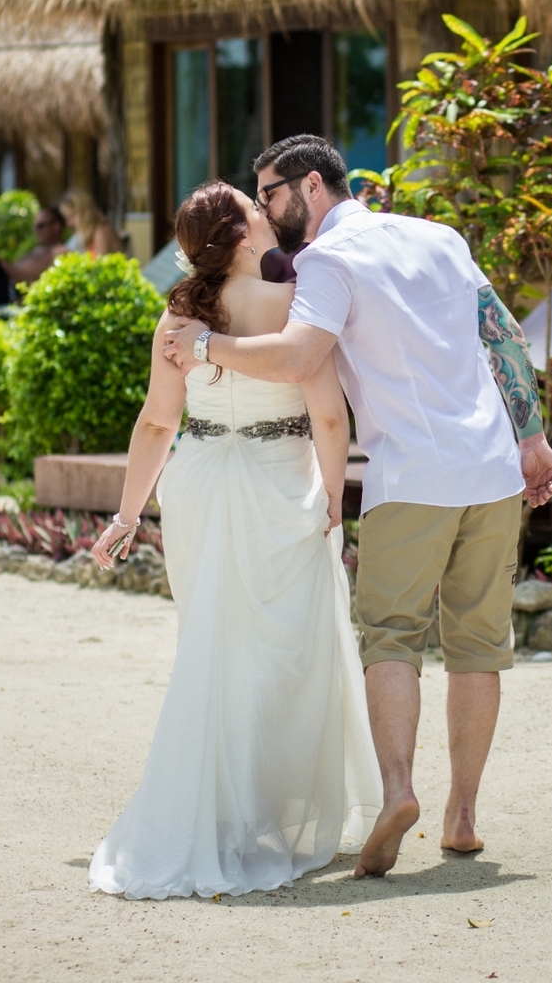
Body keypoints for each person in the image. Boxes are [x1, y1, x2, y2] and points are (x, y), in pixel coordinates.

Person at [158, 134, 552, 879]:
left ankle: (399, 791)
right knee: (478, 648)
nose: (270, 211)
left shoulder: (326, 263)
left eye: (271, 193)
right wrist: (531, 435)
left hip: (413, 478)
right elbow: (500, 330)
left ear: (310, 187)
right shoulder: (440, 236)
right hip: (494, 469)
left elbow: (298, 358)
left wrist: (208, 346)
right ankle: (463, 817)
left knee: (393, 640)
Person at [86, 181, 381, 898]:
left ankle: (225, 813)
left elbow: (157, 423)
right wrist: (335, 503)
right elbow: (330, 420)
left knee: (214, 644)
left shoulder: (179, 312)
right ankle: (273, 814)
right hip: (281, 485)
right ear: (244, 236)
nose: (267, 214)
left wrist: (129, 514)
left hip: (200, 484)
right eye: (256, 211)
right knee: (290, 653)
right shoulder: (295, 304)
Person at [60, 188, 124, 257]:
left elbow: (100, 265)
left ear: (84, 212)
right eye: (66, 219)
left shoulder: (100, 231)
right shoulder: (89, 233)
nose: (68, 224)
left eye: (71, 217)